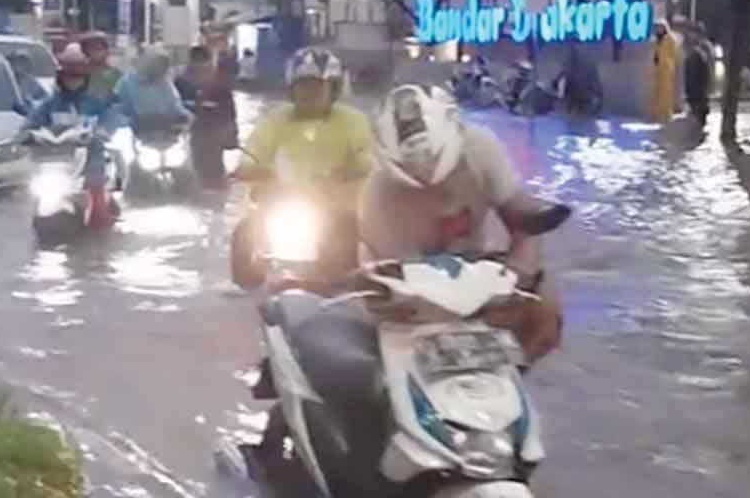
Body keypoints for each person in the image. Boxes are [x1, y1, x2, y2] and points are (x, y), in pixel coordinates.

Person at [360, 84, 564, 364]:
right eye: (411, 168)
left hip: (474, 269)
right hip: (410, 285)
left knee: (545, 315)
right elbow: (392, 276)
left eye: (431, 161)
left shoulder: (481, 149)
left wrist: (519, 271)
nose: (424, 170)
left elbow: (521, 218)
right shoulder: (376, 194)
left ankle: (514, 370)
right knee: (400, 342)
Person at [231, 46, 375, 289]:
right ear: (291, 89)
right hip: (280, 204)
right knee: (243, 234)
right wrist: (248, 169)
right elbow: (253, 152)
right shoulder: (274, 120)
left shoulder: (353, 121)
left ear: (333, 89)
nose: (309, 93)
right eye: (302, 86)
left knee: (353, 248)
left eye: (317, 86)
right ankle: (248, 290)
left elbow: (368, 158)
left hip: (335, 209)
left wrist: (350, 172)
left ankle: (349, 287)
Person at [23, 43, 120, 230]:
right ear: (61, 77)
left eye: (77, 77)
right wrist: (25, 134)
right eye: (69, 76)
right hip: (55, 161)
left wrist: (103, 131)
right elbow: (31, 122)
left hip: (90, 160)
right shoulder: (50, 103)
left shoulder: (96, 102)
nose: (73, 81)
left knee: (96, 197)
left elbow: (112, 116)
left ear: (85, 78)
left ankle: (101, 232)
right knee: (35, 192)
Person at [176, 45, 238, 188]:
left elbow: (230, 113)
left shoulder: (220, 86)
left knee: (214, 176)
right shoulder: (180, 84)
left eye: (203, 63)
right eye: (196, 62)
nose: (200, 68)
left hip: (212, 139)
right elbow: (172, 107)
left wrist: (232, 137)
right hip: (187, 138)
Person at [114, 47, 193, 136]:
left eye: (164, 65)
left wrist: (187, 116)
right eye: (158, 63)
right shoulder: (127, 82)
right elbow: (117, 112)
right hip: (137, 133)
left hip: (165, 133)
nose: (161, 68)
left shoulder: (165, 83)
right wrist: (132, 122)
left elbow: (175, 107)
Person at [558, 43, 603, 115]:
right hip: (587, 98)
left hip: (582, 98)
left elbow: (563, 77)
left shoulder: (570, 58)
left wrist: (561, 97)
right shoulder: (588, 59)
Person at [78, 31, 122, 104]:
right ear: (85, 51)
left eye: (100, 48)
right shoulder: (79, 72)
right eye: (92, 48)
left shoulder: (115, 74)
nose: (97, 51)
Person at [684, 26, 713, 128]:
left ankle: (699, 123)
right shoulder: (692, 51)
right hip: (694, 85)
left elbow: (707, 69)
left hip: (699, 85)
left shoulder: (703, 49)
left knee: (699, 104)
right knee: (696, 104)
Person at [650, 19, 678, 123]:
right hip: (658, 68)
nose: (658, 29)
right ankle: (656, 114)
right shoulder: (657, 39)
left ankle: (666, 114)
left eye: (660, 27)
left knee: (666, 93)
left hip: (666, 68)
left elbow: (673, 53)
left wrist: (668, 63)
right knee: (656, 92)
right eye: (657, 28)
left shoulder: (669, 39)